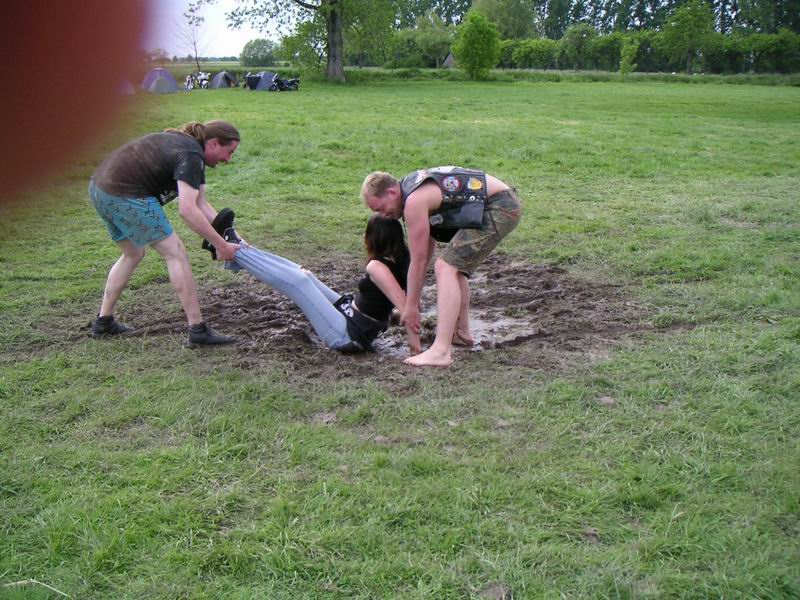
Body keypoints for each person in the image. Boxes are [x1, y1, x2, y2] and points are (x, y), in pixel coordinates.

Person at [88, 120, 242, 346]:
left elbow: (200, 203)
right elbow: (187, 211)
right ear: (213, 144)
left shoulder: (190, 149)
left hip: (100, 189)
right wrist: (221, 245)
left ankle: (103, 322)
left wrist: (233, 237)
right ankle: (198, 330)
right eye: (229, 152)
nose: (228, 160)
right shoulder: (191, 155)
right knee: (176, 253)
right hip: (125, 193)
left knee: (133, 253)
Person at [361, 167, 522, 367]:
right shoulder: (415, 192)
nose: (383, 215)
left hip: (500, 206)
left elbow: (419, 261)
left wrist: (411, 307)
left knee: (445, 267)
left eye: (380, 208)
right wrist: (413, 299)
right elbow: (424, 254)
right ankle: (462, 332)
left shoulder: (414, 201)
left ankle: (441, 351)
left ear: (392, 192)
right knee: (453, 266)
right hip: (500, 203)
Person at [223, 214, 419, 354]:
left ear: (373, 238)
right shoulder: (401, 260)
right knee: (305, 275)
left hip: (347, 335)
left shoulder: (377, 266)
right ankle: (239, 246)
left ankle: (236, 253)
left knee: (299, 282)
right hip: (349, 315)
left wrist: (415, 351)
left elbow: (407, 311)